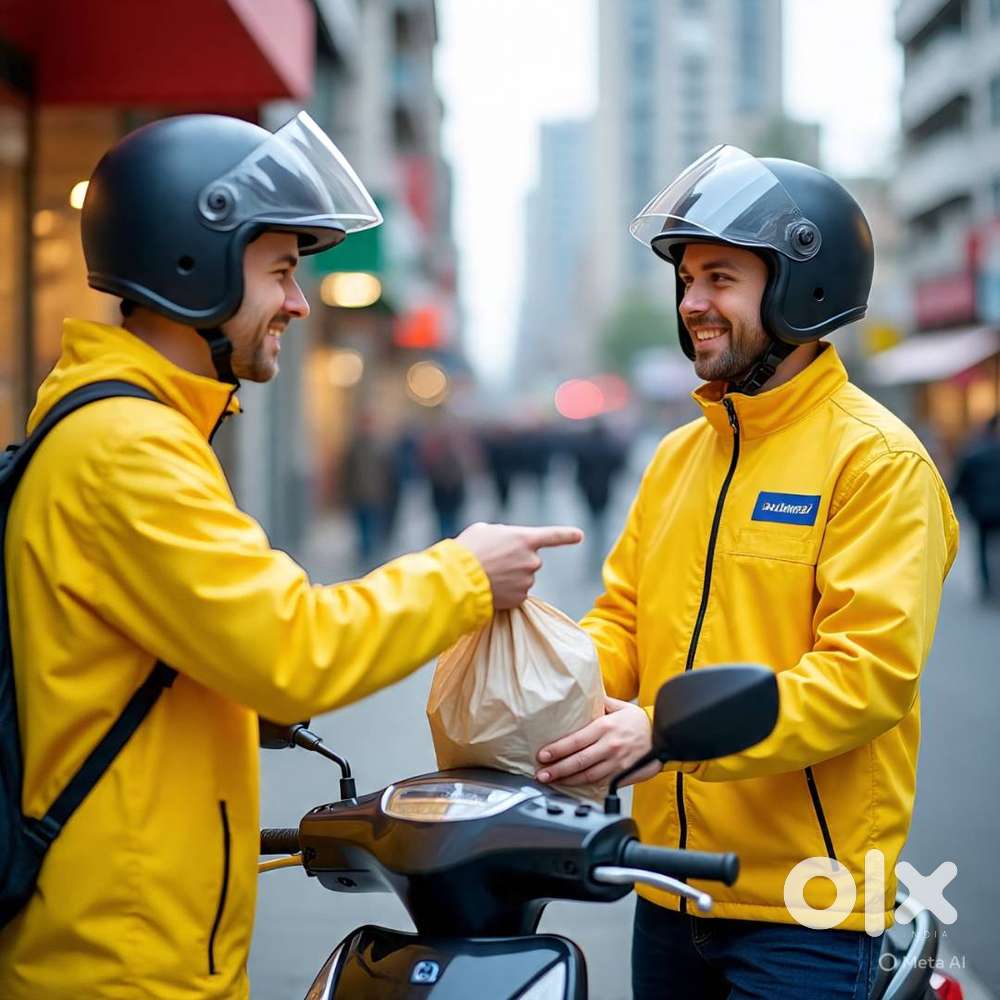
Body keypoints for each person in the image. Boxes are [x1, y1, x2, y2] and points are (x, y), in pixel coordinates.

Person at [0, 112, 581, 999]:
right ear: (193, 267)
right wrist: (467, 572)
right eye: (279, 270)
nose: (299, 302)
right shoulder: (129, 447)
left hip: (131, 937)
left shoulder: (126, 430)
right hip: (119, 961)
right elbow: (294, 648)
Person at [534, 146, 959, 999]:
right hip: (669, 883)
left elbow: (865, 676)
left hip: (809, 907)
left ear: (803, 286)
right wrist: (543, 681)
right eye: (687, 279)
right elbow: (622, 616)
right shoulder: (676, 457)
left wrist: (662, 734)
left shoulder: (876, 461)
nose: (693, 303)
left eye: (721, 277)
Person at [952, 414, 1000, 599]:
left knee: (982, 546)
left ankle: (987, 584)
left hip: (981, 510)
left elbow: (961, 483)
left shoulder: (973, 453)